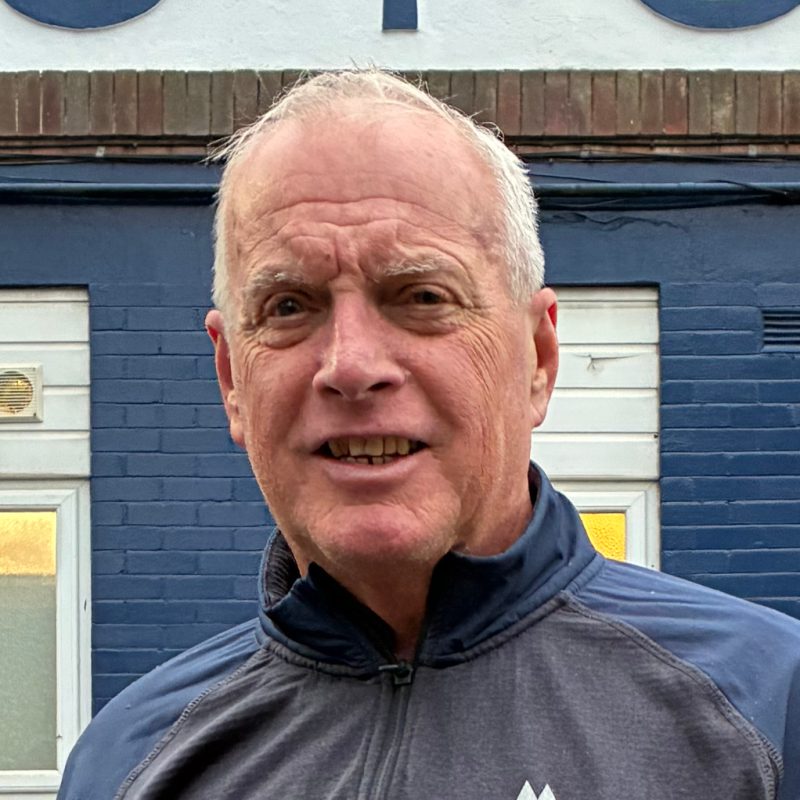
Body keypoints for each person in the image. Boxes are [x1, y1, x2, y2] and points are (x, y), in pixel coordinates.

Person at [59, 70, 799, 800]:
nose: (350, 366)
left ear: (538, 359)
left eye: (420, 297)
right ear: (230, 379)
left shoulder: (765, 713)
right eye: (288, 307)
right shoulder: (129, 760)